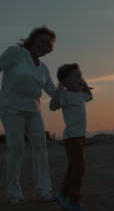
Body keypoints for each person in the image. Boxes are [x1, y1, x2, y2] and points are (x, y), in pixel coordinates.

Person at [0, 26, 57, 203]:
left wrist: (74, 91)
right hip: (11, 107)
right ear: (32, 39)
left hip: (34, 111)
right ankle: (13, 193)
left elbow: (53, 93)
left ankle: (43, 191)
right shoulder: (15, 52)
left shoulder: (44, 69)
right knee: (16, 147)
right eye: (42, 41)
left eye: (49, 45)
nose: (45, 46)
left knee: (40, 148)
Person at [50, 63, 93, 211]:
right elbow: (52, 106)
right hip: (71, 139)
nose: (80, 79)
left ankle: (62, 195)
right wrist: (59, 90)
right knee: (79, 168)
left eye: (81, 76)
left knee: (73, 168)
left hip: (80, 138)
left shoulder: (80, 95)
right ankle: (74, 201)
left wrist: (85, 84)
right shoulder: (65, 96)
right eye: (76, 77)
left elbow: (90, 96)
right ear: (65, 82)